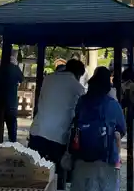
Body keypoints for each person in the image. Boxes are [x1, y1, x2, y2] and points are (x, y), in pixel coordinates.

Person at [29, 59, 85, 189]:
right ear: (78, 74)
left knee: (36, 174)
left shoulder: (48, 79)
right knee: (56, 175)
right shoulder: (77, 87)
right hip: (57, 138)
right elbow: (82, 108)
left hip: (37, 131)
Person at [70, 67, 126, 191]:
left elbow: (75, 121)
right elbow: (121, 130)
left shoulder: (82, 101)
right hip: (106, 161)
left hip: (81, 159)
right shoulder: (113, 104)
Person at [0, 56, 24, 142]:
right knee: (12, 125)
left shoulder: (1, 69)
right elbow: (22, 79)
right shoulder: (15, 69)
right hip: (11, 102)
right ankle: (12, 143)